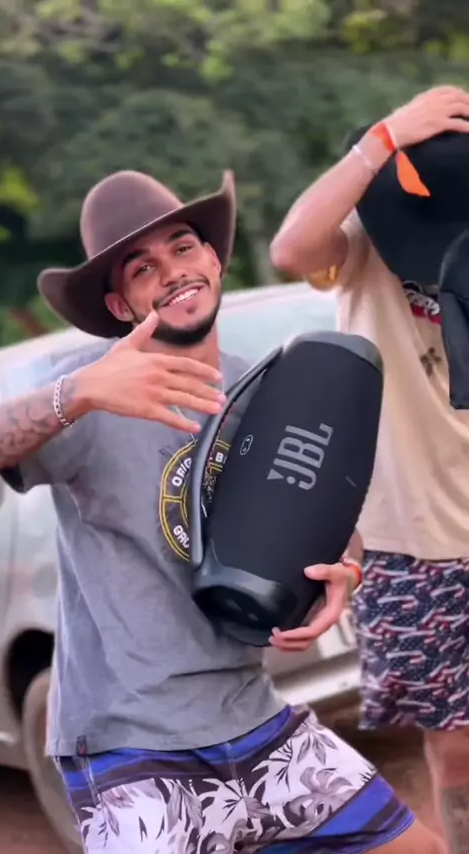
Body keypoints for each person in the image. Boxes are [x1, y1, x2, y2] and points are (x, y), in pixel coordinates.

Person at [0, 169, 442, 854]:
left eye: (183, 247)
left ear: (213, 259)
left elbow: (318, 515)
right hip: (132, 746)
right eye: (142, 268)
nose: (172, 271)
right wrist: (75, 395)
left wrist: (341, 572)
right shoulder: (86, 389)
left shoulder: (264, 387)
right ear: (119, 304)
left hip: (254, 718)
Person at [270, 84, 469, 854]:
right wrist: (384, 138)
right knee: (455, 750)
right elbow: (291, 250)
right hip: (408, 543)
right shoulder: (361, 242)